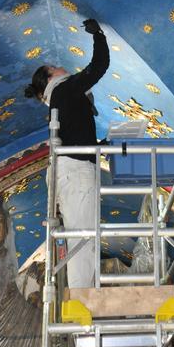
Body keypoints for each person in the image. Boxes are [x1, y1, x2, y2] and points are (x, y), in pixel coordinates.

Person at [24, 18, 109, 288]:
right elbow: (98, 67)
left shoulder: (62, 99)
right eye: (56, 66)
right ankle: (83, 301)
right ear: (52, 76)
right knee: (83, 237)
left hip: (73, 171)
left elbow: (75, 138)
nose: (63, 67)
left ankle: (86, 298)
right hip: (76, 173)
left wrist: (100, 146)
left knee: (85, 235)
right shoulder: (65, 89)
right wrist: (98, 35)